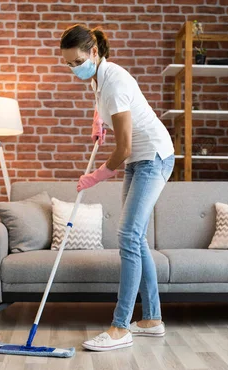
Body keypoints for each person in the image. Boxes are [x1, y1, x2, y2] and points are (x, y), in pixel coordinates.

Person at [60, 24, 176, 352]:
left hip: (152, 157)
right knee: (136, 239)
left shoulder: (114, 82)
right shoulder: (100, 78)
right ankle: (152, 319)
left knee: (127, 236)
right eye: (68, 64)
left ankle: (120, 327)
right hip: (138, 160)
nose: (74, 69)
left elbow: (124, 148)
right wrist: (99, 120)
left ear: (94, 53)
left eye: (77, 61)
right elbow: (109, 107)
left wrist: (97, 175)